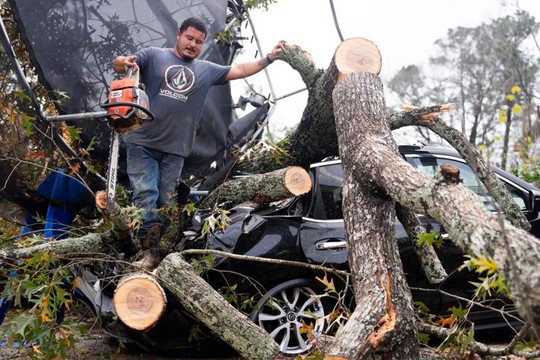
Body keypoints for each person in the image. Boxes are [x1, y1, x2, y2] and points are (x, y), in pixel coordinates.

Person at [113, 17, 285, 270]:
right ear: (179, 35)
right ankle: (146, 253)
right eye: (189, 38)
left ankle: (163, 249)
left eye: (199, 42)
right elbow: (122, 64)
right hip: (142, 141)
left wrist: (269, 57)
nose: (193, 45)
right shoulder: (153, 55)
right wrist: (122, 62)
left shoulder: (206, 69)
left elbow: (241, 70)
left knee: (166, 199)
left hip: (175, 149)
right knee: (145, 193)